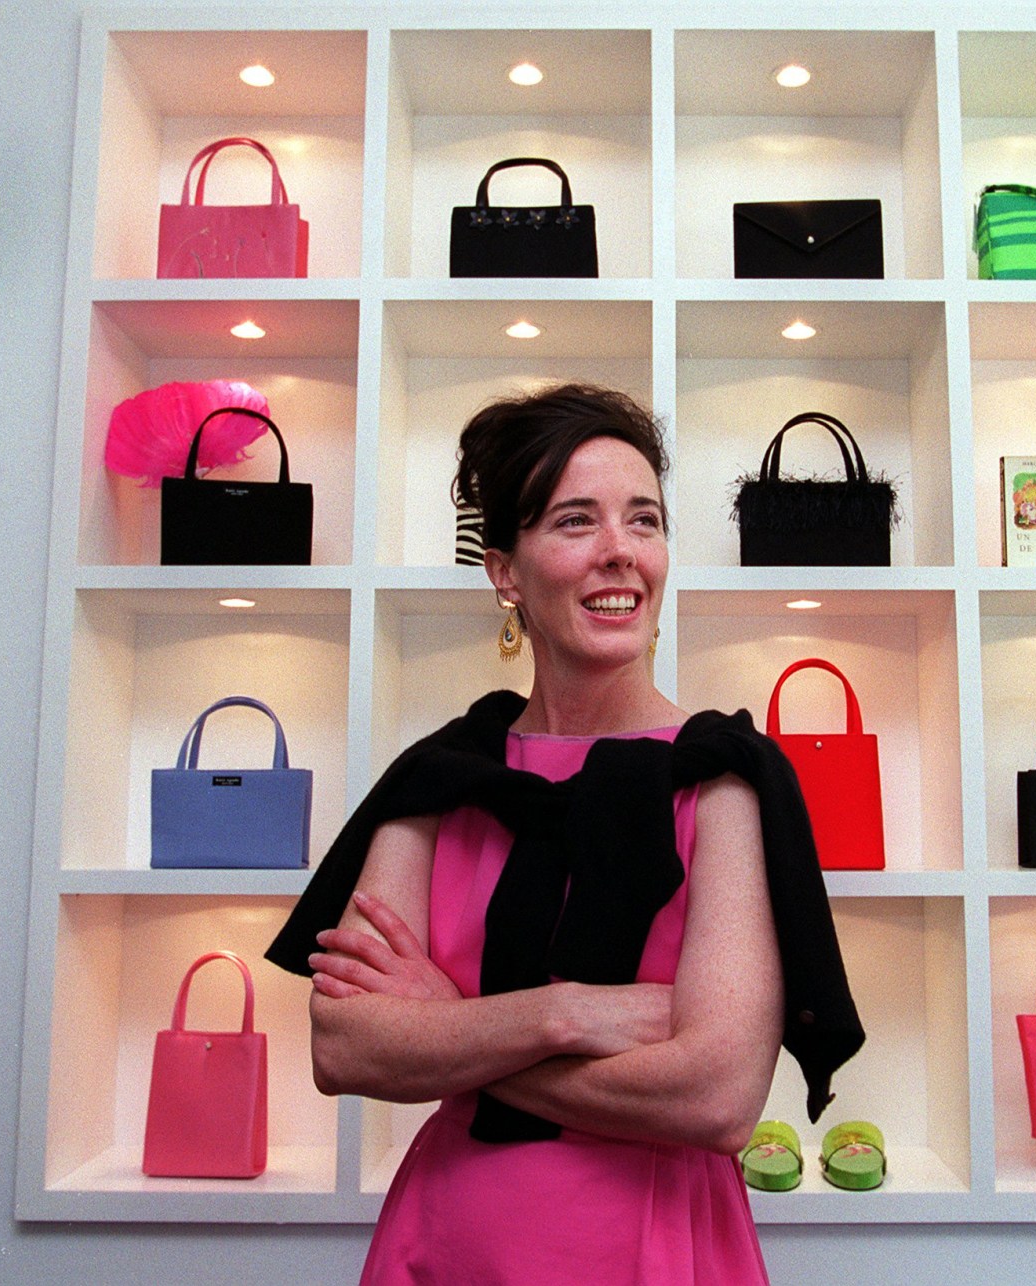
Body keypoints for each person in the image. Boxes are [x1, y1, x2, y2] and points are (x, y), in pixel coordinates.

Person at [266, 383, 864, 1283]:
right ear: (505, 569)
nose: (621, 553)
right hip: (453, 1242)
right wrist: (566, 1013)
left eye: (645, 521)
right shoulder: (444, 773)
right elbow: (344, 1046)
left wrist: (453, 1032)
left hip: (655, 1245)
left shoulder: (723, 779)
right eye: (576, 522)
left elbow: (718, 1099)